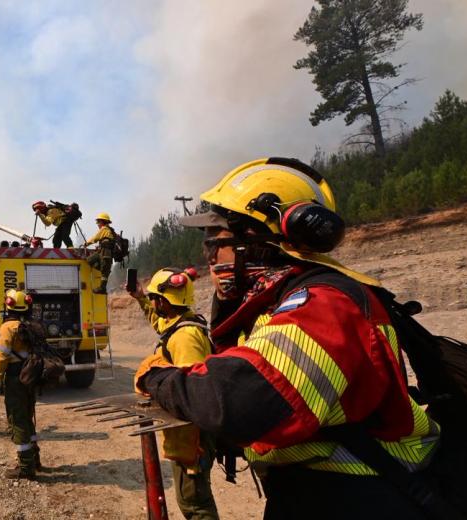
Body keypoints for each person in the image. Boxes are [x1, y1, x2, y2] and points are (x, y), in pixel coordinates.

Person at [134, 157, 440, 519]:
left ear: (255, 240)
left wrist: (155, 377)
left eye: (215, 241)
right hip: (314, 489)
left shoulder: (325, 303)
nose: (208, 255)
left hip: (360, 494)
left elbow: (238, 400)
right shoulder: (280, 303)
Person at [129, 268, 219, 519]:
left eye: (156, 297)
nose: (154, 302)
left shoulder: (185, 338)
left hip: (191, 439)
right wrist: (140, 299)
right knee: (191, 500)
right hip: (188, 436)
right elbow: (161, 325)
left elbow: (190, 392)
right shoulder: (181, 323)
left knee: (194, 504)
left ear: (165, 300)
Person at [0, 289, 40, 479]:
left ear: (8, 305)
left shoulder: (7, 328)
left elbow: (0, 357)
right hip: (31, 375)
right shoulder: (31, 325)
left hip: (15, 377)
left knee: (17, 419)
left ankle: (26, 467)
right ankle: (35, 458)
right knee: (27, 416)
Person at [84, 212, 116, 294]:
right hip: (103, 252)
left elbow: (95, 238)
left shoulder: (104, 229)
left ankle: (102, 288)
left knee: (104, 272)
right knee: (90, 261)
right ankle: (104, 273)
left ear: (102, 222)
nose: (97, 224)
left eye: (98, 222)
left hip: (105, 253)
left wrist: (86, 243)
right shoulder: (110, 231)